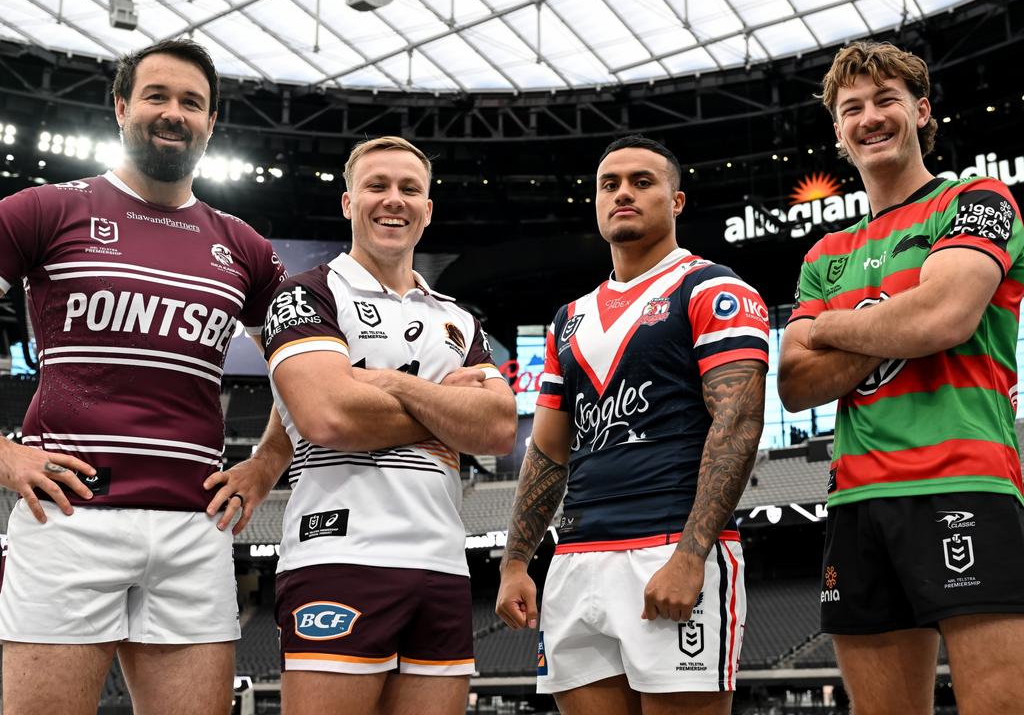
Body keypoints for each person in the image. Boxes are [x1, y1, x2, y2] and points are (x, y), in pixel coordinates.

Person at [0, 38, 290, 715]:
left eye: (192, 102)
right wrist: (4, 455)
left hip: (195, 527)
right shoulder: (44, 211)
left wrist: (267, 462)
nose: (173, 113)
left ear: (211, 123)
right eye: (157, 96)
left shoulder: (243, 246)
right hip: (70, 516)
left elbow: (310, 365)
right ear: (122, 106)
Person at [778, 41, 1024, 714]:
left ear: (921, 110)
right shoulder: (825, 254)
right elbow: (795, 382)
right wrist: (899, 317)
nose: (871, 117)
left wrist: (829, 326)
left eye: (886, 99)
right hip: (856, 503)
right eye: (852, 108)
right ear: (838, 132)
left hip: (965, 480)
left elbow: (945, 315)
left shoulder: (978, 199)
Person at [496, 135, 768, 714]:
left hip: (669, 547)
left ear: (677, 201)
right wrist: (516, 562)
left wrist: (692, 555)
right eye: (609, 184)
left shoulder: (714, 288)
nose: (623, 193)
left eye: (642, 182)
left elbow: (739, 424)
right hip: (574, 559)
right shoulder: (567, 320)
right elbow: (547, 453)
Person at [262, 136, 517, 715]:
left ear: (428, 209)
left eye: (410, 190)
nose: (392, 200)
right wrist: (445, 413)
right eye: (377, 186)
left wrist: (392, 384)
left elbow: (499, 429)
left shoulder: (457, 319)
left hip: (443, 565)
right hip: (338, 555)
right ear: (349, 202)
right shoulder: (306, 294)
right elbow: (328, 415)